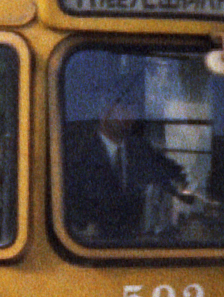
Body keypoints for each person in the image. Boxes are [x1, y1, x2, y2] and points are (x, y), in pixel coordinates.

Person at [63, 96, 194, 242]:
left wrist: (189, 191)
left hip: (134, 246)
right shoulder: (78, 153)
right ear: (104, 110)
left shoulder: (140, 149)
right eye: (124, 107)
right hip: (91, 248)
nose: (130, 115)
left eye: (134, 109)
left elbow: (175, 176)